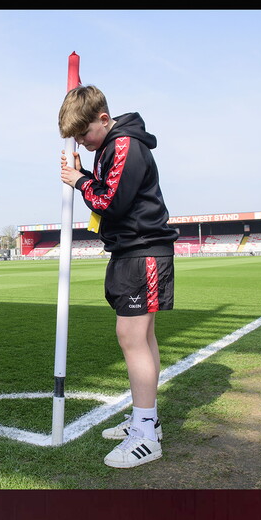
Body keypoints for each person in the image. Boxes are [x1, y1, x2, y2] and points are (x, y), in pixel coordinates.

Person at [58, 85, 179, 469]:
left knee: (131, 338)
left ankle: (145, 435)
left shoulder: (124, 144)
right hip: (133, 250)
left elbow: (110, 201)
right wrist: (84, 173)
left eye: (84, 133)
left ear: (104, 119)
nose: (83, 141)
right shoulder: (112, 146)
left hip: (142, 250)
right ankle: (147, 421)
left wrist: (78, 180)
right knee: (141, 338)